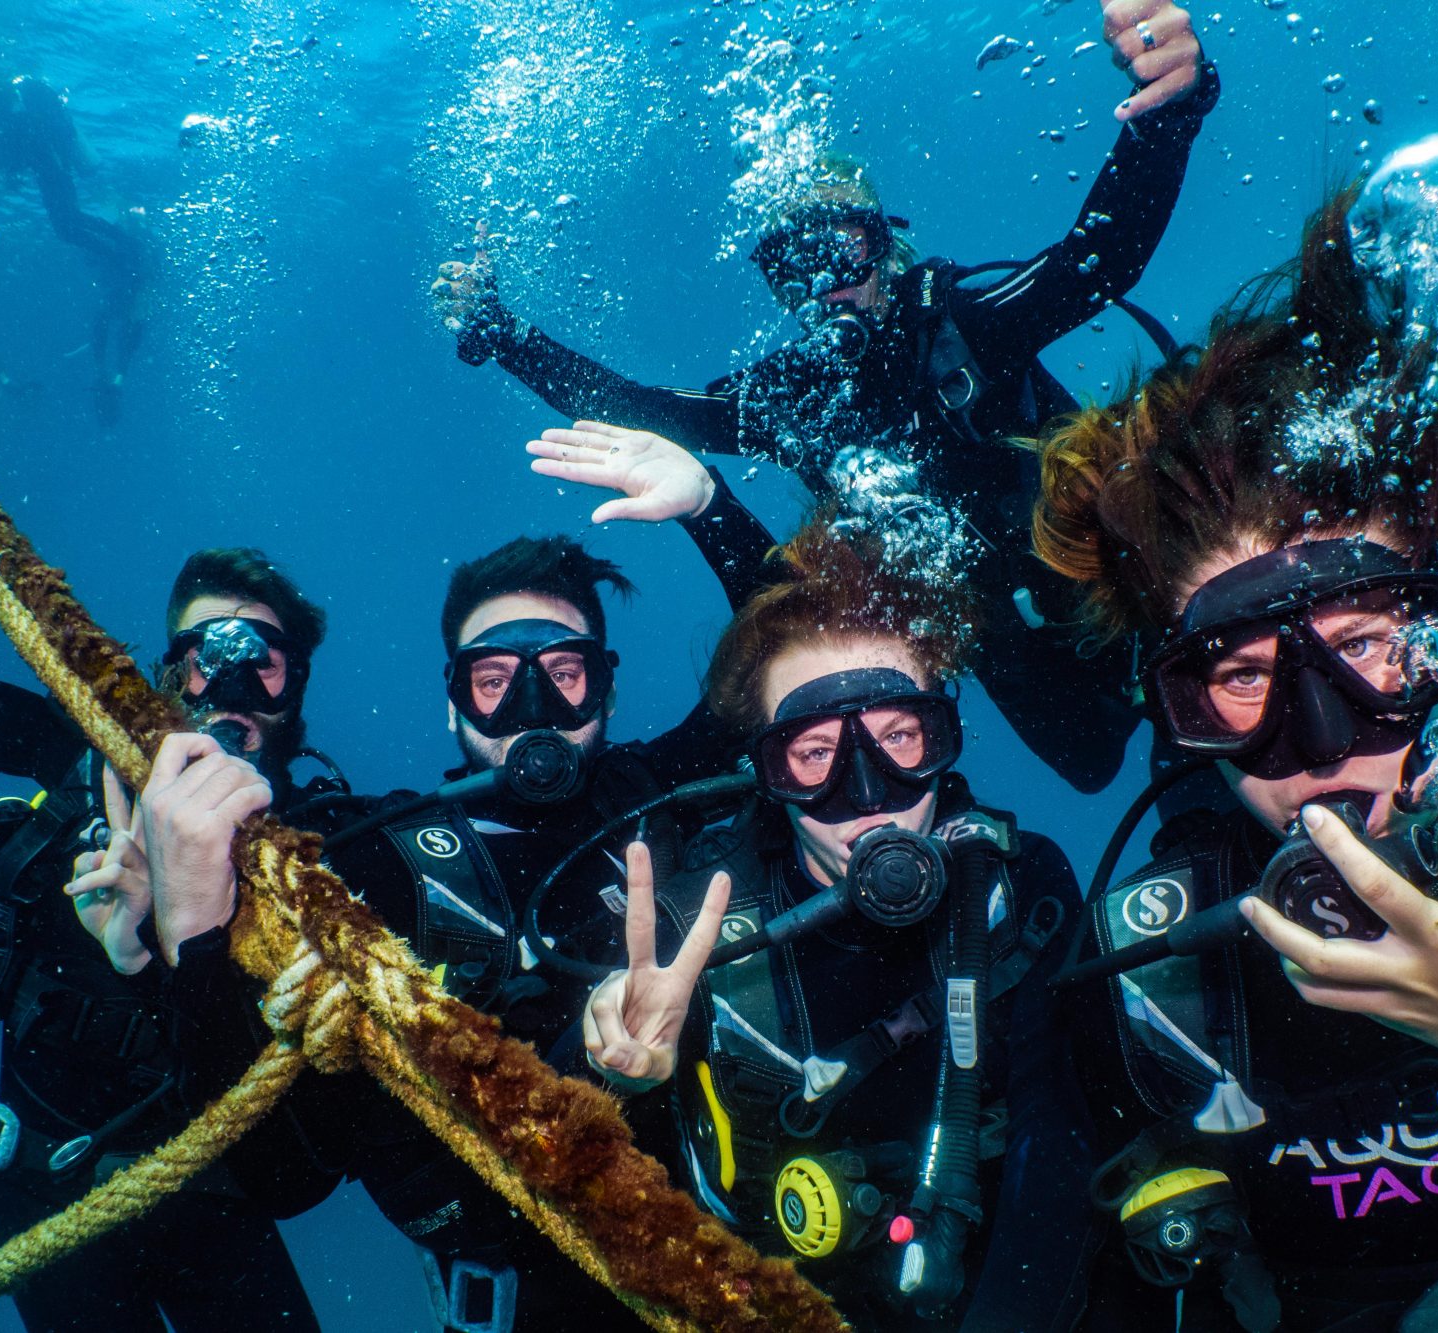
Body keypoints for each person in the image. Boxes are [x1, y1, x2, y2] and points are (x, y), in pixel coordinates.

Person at [1011, 186, 1438, 1329]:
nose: (1323, 742)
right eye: (1240, 679)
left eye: (1370, 648)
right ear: (1174, 710)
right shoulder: (1149, 972)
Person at [434, 0, 1218, 794]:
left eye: (844, 251)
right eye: (795, 265)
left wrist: (1169, 111)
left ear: (884, 246)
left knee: (1200, 716)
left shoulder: (956, 322)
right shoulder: (791, 396)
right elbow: (643, 410)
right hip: (987, 626)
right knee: (1090, 762)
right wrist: (506, 335)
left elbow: (1098, 261)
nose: (827, 287)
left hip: (1101, 565)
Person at [113, 531, 766, 1332]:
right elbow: (282, 1179)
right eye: (494, 681)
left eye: (564, 674)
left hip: (716, 1291)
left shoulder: (650, 794)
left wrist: (707, 507)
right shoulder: (377, 861)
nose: (534, 710)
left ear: (606, 692)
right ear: (452, 701)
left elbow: (777, 655)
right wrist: (191, 931)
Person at [0, 395, 344, 1332]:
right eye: (210, 657)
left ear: (297, 690)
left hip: (211, 1180)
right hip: (52, 1178)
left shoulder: (319, 842)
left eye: (267, 661)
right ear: (171, 671)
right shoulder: (83, 752)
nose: (236, 682)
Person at [576, 520, 1089, 1331]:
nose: (867, 791)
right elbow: (620, 1206)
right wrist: (623, 1078)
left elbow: (1059, 1136)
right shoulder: (697, 931)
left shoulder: (1021, 887)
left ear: (941, 741)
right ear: (766, 773)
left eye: (897, 739)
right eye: (814, 754)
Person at [0, 72, 148, 427]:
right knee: (70, 224)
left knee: (68, 225)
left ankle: (122, 248)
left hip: (51, 168)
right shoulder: (15, 105)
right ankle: (122, 248)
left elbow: (15, 147)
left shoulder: (10, 105)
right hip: (52, 168)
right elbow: (17, 147)